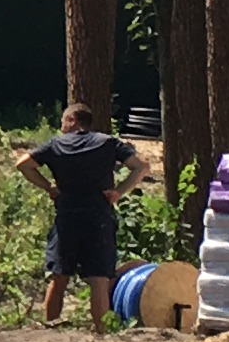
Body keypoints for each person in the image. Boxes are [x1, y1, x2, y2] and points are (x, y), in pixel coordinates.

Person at [18, 103, 150, 325]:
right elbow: (141, 167)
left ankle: (50, 330)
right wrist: (119, 191)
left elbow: (23, 165)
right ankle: (101, 333)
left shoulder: (55, 144)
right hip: (99, 218)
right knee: (99, 280)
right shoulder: (108, 142)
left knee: (59, 277)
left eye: (63, 121)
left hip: (67, 218)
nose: (61, 126)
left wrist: (49, 187)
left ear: (72, 121)